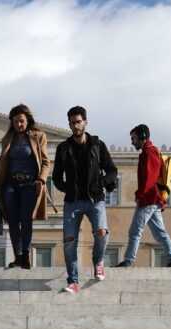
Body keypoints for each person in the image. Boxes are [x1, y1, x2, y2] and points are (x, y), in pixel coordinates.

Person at [52, 106, 117, 293]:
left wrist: (101, 183)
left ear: (85, 122)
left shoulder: (97, 145)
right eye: (72, 123)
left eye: (78, 122)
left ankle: (98, 261)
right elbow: (56, 177)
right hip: (72, 202)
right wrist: (67, 189)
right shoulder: (63, 148)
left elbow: (112, 170)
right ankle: (73, 281)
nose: (75, 125)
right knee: (69, 241)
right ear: (69, 124)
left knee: (102, 232)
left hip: (95, 199)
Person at [0, 104, 51, 269]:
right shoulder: (8, 138)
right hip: (10, 184)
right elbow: (4, 163)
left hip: (29, 184)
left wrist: (41, 179)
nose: (19, 124)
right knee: (12, 220)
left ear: (27, 120)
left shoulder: (39, 136)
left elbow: (46, 162)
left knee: (26, 219)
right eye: (15, 121)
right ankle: (18, 257)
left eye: (21, 121)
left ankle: (25, 255)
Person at [116, 124, 171, 268]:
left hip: (148, 199)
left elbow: (149, 178)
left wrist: (140, 195)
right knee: (159, 232)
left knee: (135, 231)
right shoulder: (149, 152)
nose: (132, 142)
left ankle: (128, 260)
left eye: (133, 138)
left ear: (143, 137)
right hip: (153, 199)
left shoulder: (149, 153)